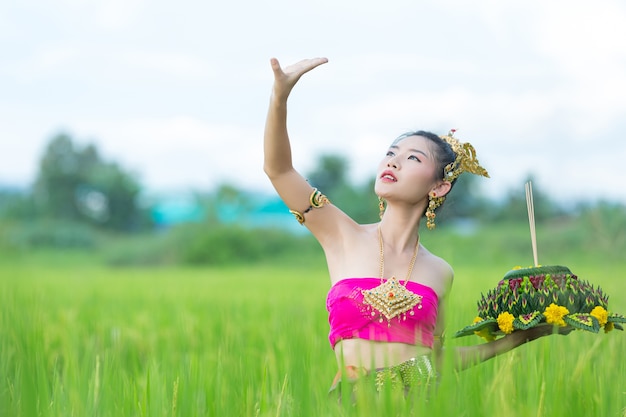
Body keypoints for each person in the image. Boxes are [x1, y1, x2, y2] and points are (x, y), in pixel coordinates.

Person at [263, 57, 560, 398]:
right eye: (391, 153)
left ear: (438, 187)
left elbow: (435, 361)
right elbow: (279, 170)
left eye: (413, 158)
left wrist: (519, 338)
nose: (392, 161)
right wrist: (279, 97)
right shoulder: (341, 235)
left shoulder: (440, 272)